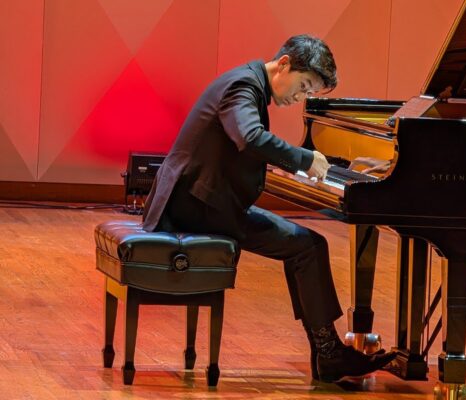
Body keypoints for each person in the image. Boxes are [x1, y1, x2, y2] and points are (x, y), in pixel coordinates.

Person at [142, 34, 397, 382]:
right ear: (284, 64)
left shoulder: (247, 82)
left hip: (202, 201)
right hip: (194, 208)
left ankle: (328, 353)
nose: (299, 98)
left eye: (308, 93)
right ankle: (329, 354)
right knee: (307, 246)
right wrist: (303, 159)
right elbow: (249, 137)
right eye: (303, 86)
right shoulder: (243, 86)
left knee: (306, 246)